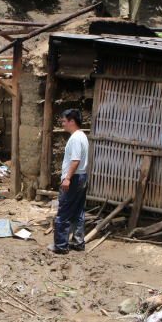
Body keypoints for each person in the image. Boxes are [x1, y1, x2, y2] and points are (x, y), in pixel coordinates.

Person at [48, 109, 89, 254]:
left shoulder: (76, 138)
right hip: (82, 177)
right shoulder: (82, 136)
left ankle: (60, 245)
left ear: (72, 121)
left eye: (64, 121)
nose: (62, 124)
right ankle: (78, 242)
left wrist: (67, 178)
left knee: (63, 212)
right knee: (78, 211)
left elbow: (75, 160)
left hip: (75, 178)